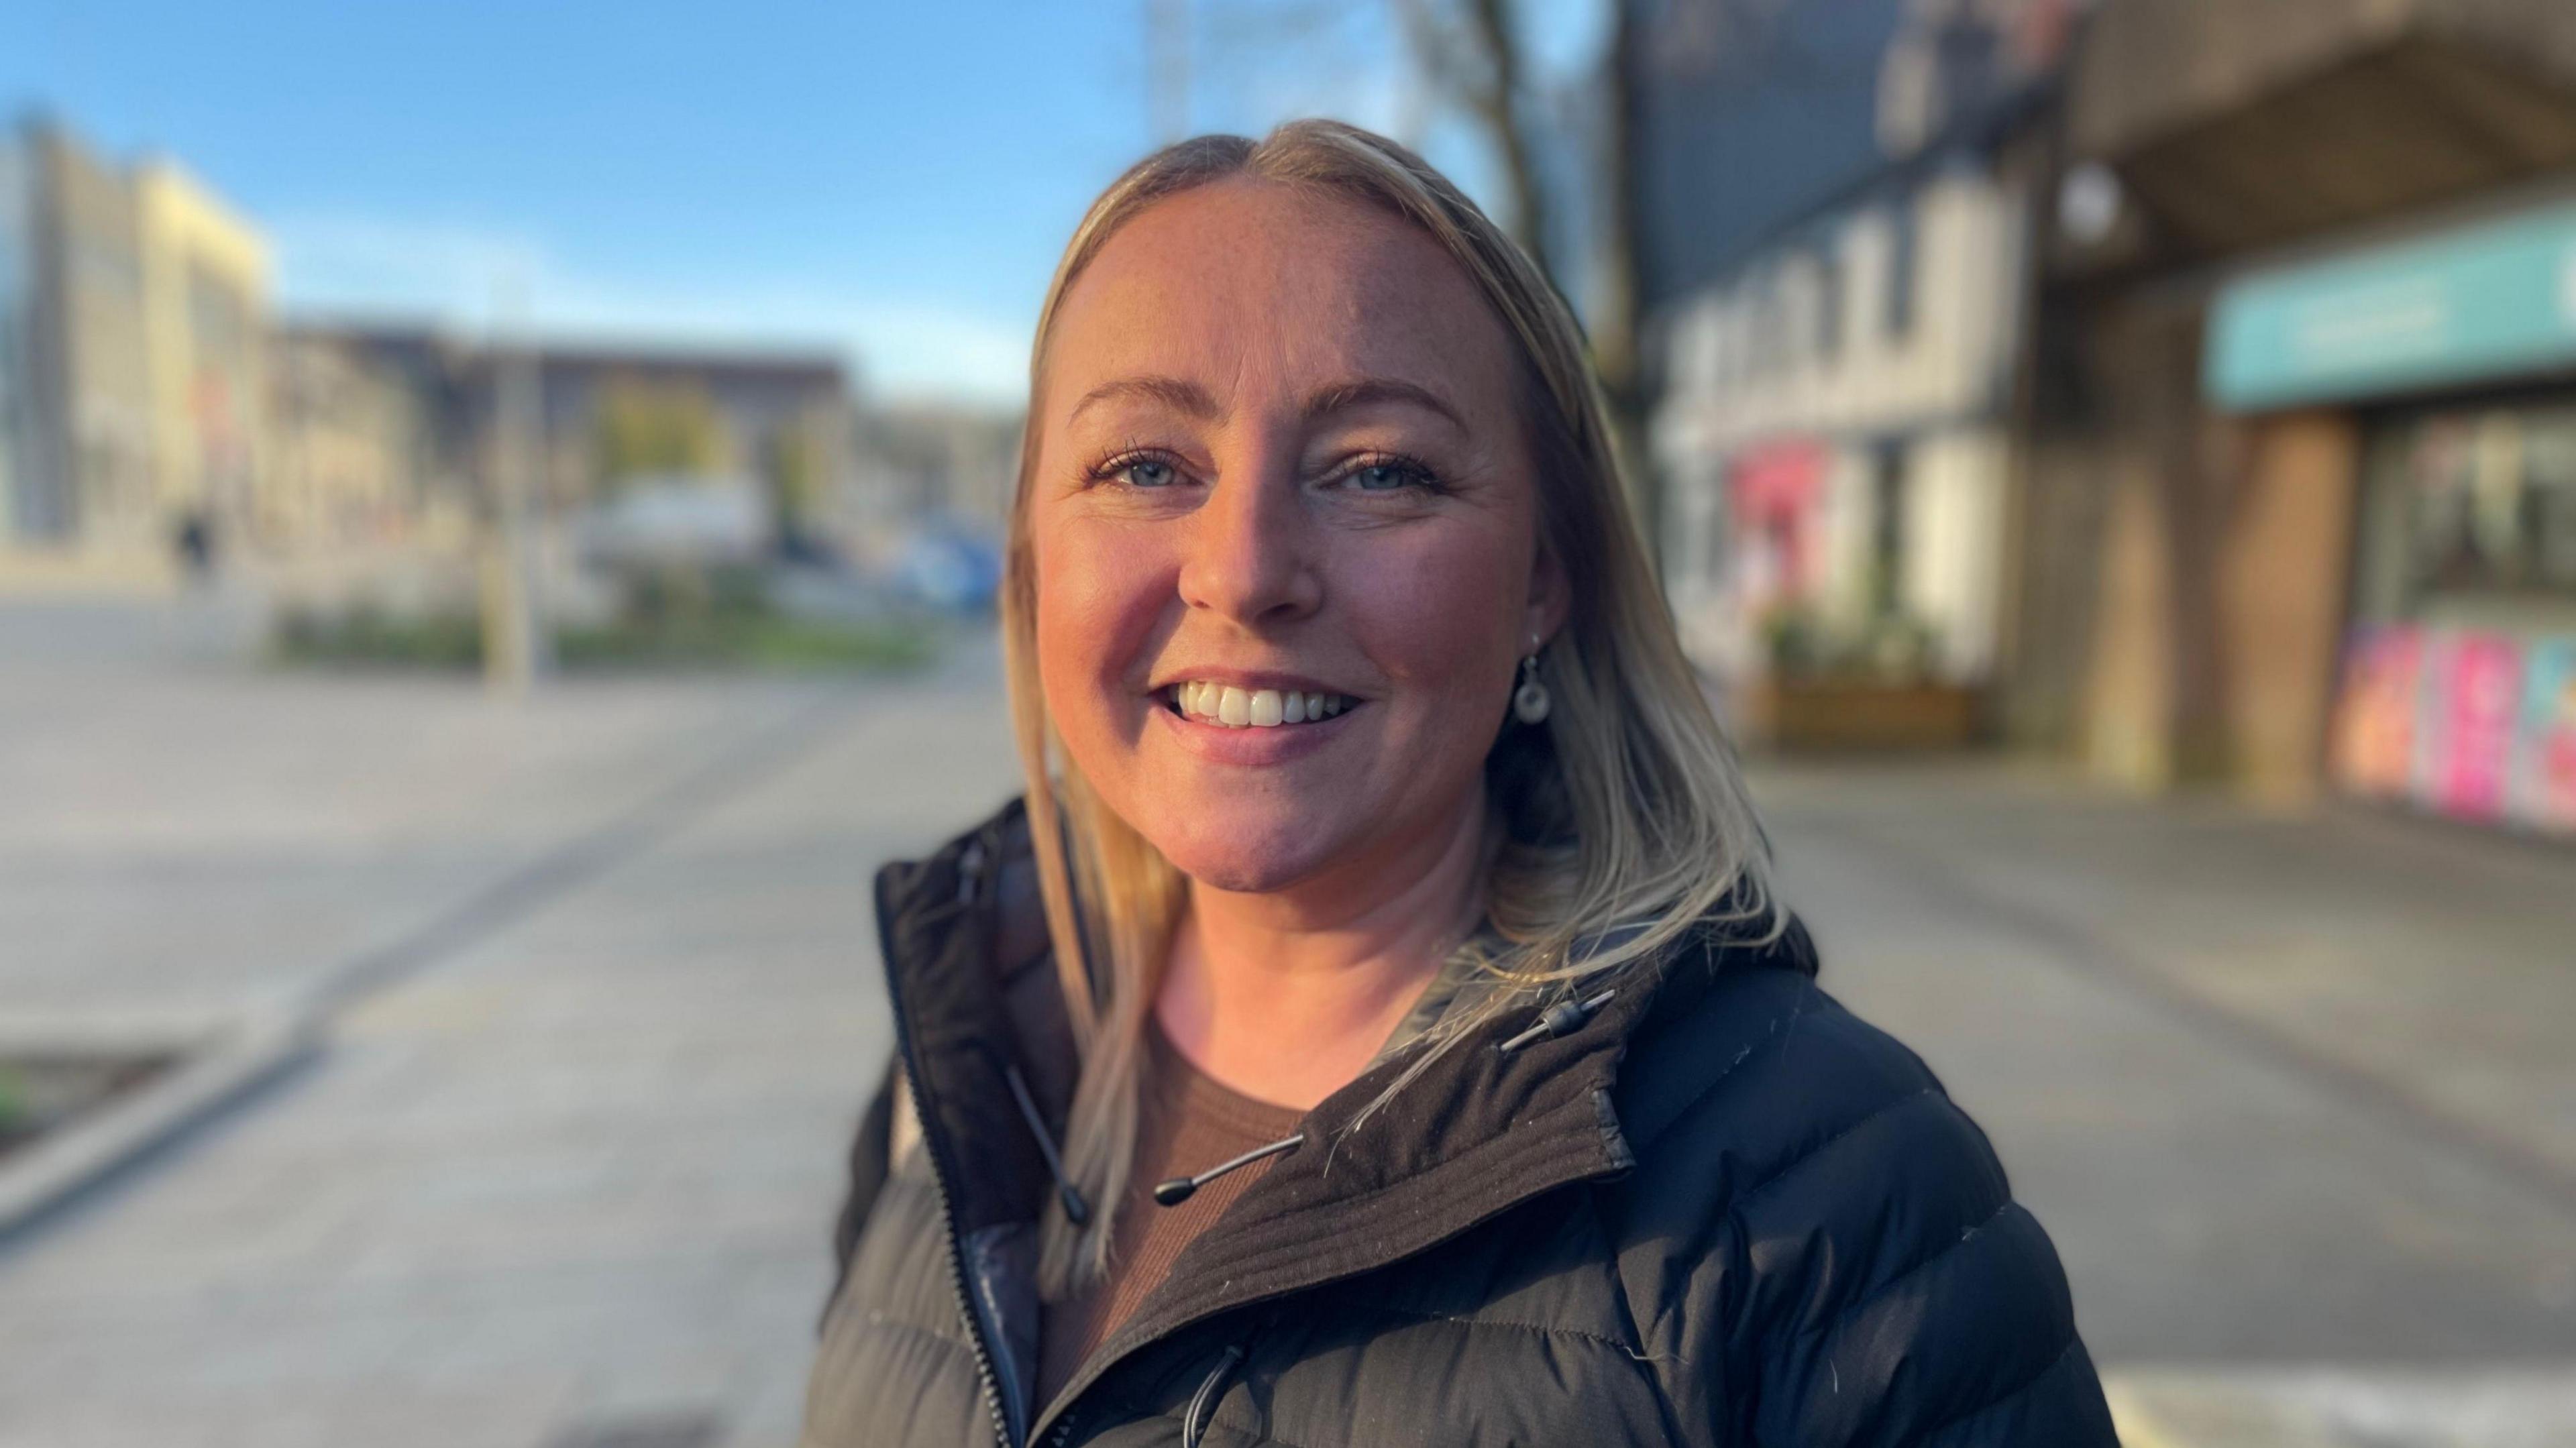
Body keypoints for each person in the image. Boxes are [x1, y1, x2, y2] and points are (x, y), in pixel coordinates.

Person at [800, 119, 2116, 1448]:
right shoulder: (960, 1062)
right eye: (1144, 466)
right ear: (1031, 555)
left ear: (1548, 578)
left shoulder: (1839, 1197)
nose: (1244, 569)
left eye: (1381, 470)